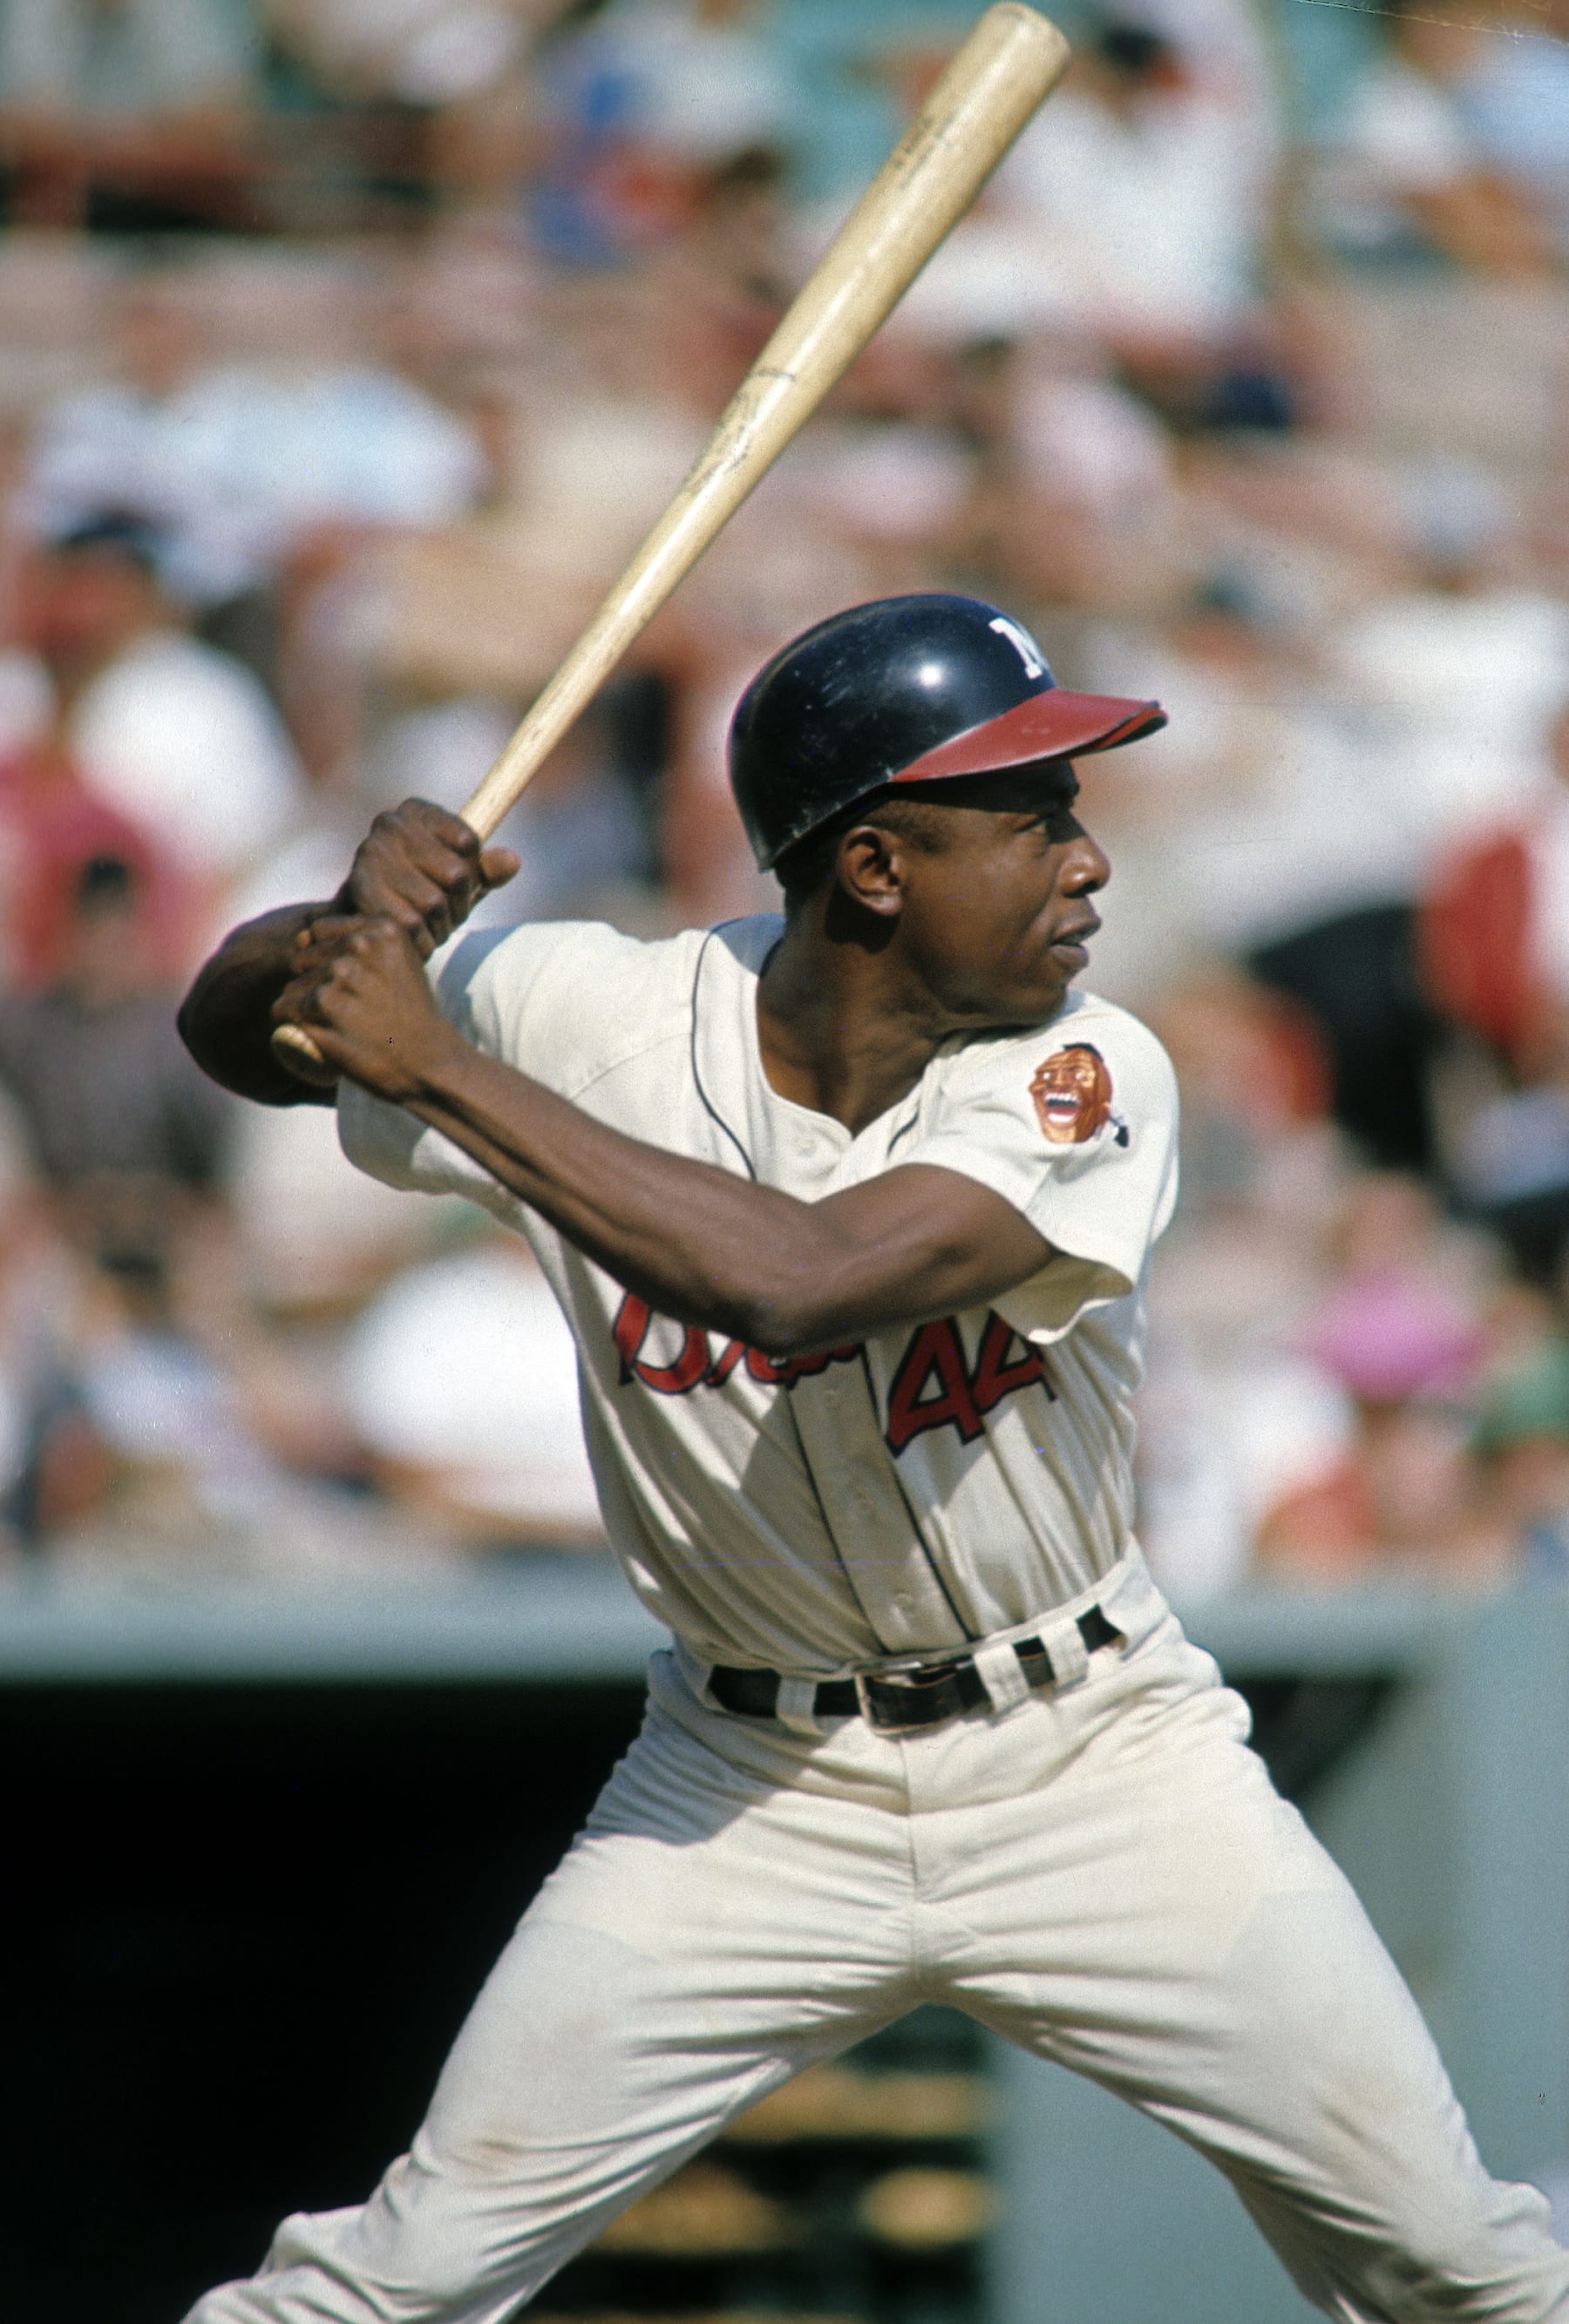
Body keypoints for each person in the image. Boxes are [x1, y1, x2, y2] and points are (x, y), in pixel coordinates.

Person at [176, 593, 1569, 2324]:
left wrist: (441, 1063)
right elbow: (238, 1039)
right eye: (1035, 814)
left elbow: (793, 1281)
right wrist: (326, 934)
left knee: (1459, 2261)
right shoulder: (585, 1009)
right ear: (881, 869)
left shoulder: (1087, 1067)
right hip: (742, 1788)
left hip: (1094, 1758)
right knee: (388, 2278)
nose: (1088, 864)